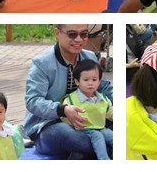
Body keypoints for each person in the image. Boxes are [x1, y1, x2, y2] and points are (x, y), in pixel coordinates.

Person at [24, 25, 113, 159]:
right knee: (64, 132)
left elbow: (105, 87)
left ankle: (84, 152)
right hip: (50, 125)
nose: (78, 39)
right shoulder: (42, 63)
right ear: (57, 33)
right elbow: (33, 101)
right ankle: (109, 149)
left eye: (84, 34)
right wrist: (63, 110)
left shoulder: (89, 57)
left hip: (91, 122)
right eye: (72, 34)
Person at [61, 60, 113, 160]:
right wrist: (72, 121)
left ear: (99, 81)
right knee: (98, 137)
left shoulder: (103, 99)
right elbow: (64, 116)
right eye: (86, 80)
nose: (90, 83)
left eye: (94, 80)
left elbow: (109, 112)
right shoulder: (71, 100)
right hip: (82, 131)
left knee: (113, 136)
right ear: (77, 81)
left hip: (100, 127)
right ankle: (103, 159)